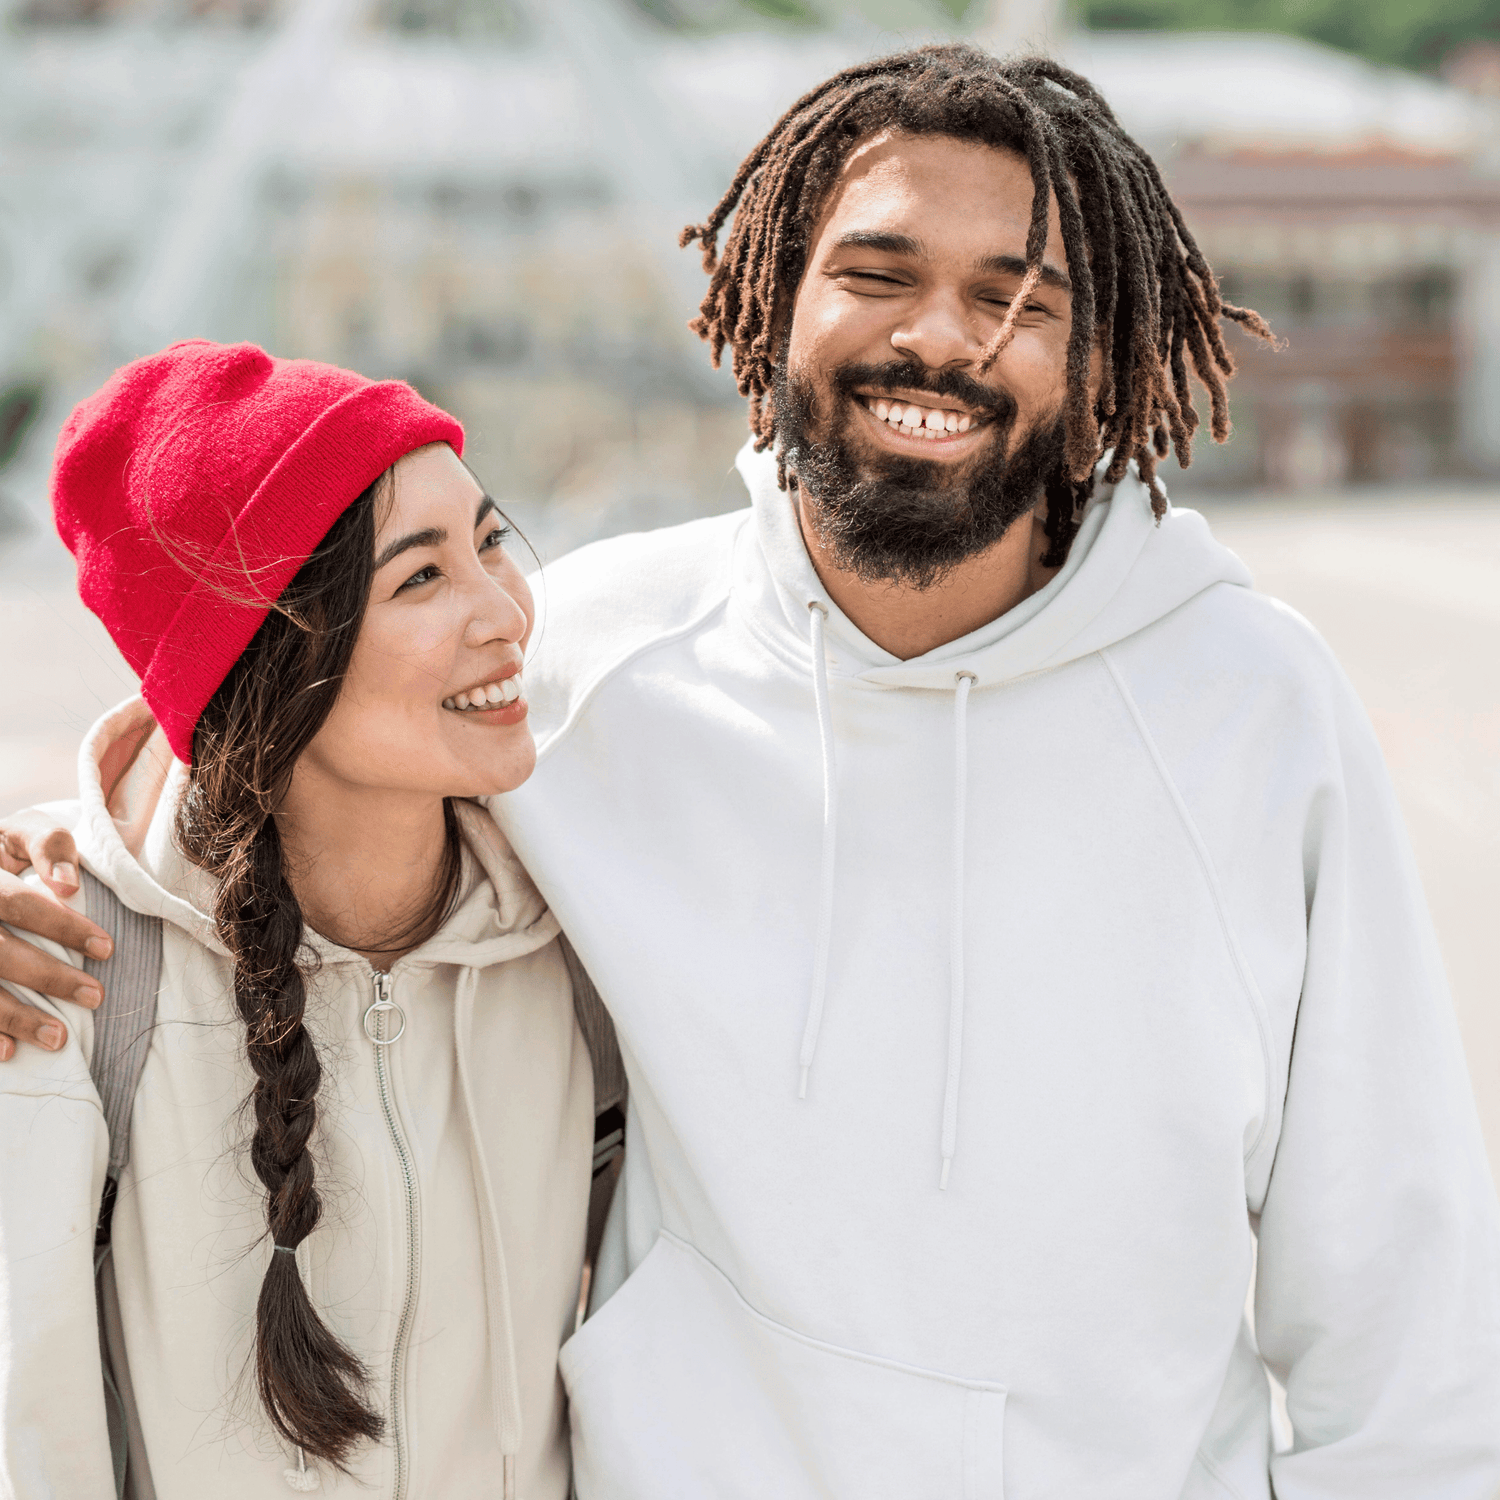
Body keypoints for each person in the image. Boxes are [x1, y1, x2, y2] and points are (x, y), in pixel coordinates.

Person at [4, 43, 1499, 1498]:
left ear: (1092, 351)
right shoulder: (583, 663)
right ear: (772, 296)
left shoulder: (1254, 706)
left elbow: (1403, 1316)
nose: (943, 341)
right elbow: (271, 781)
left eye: (1014, 297)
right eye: (880, 272)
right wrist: (30, 881)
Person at [0, 341, 599, 1498]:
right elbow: (34, 1438)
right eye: (420, 579)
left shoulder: (575, 927)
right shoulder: (69, 970)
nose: (506, 612)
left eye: (488, 542)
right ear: (273, 661)